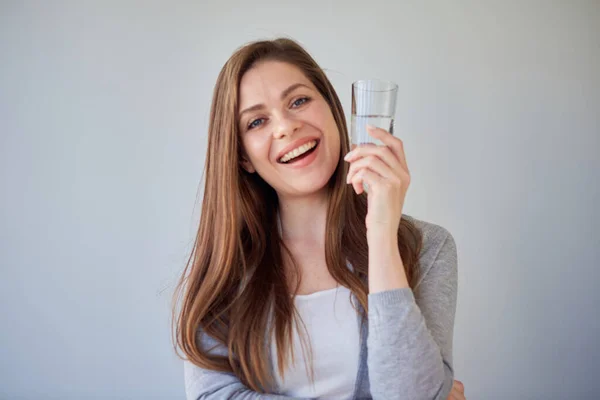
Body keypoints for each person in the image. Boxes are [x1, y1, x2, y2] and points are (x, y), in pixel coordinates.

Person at [173, 38, 466, 400]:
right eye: (257, 121)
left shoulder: (428, 248)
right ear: (243, 158)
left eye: (298, 101)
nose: (285, 127)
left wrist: (381, 235)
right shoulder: (224, 267)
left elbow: (413, 394)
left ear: (332, 110)